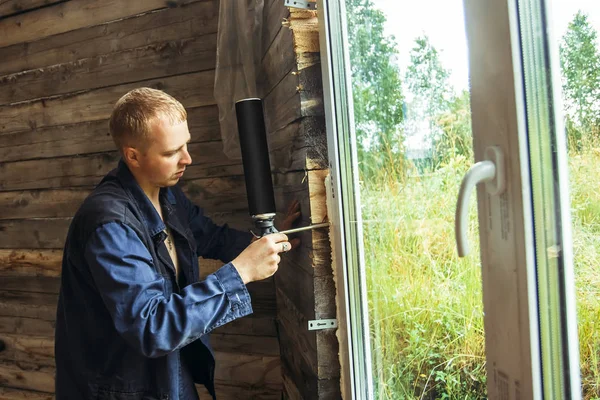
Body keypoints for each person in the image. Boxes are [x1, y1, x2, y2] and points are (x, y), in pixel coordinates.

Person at [54, 87, 299, 400]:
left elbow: (211, 236)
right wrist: (241, 273)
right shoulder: (110, 225)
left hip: (168, 378)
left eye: (186, 145)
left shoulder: (168, 196)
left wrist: (272, 239)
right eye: (172, 152)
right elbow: (151, 326)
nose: (188, 158)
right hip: (119, 390)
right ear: (132, 155)